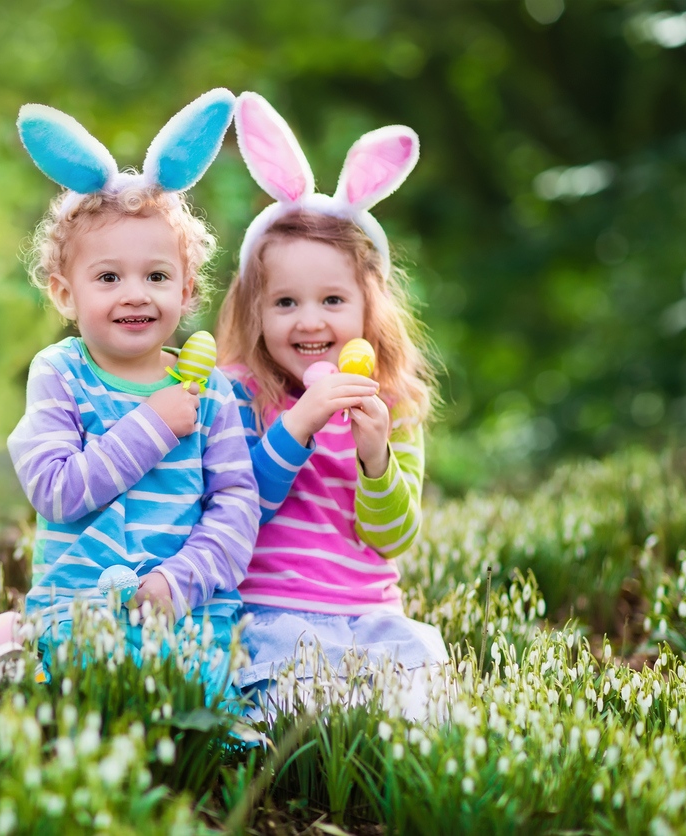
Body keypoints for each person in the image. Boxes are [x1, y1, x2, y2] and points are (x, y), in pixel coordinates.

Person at [7, 89, 259, 699]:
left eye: (156, 276)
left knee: (201, 719)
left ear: (188, 288)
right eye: (108, 277)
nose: (135, 294)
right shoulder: (60, 373)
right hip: (77, 612)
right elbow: (56, 490)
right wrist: (151, 425)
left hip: (187, 613)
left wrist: (179, 584)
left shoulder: (211, 391)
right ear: (66, 294)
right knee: (87, 708)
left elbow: (236, 507)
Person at [215, 92, 449, 718]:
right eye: (285, 303)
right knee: (302, 710)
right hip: (272, 613)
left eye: (332, 301)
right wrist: (298, 424)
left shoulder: (392, 404)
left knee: (422, 712)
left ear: (369, 308)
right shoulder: (238, 392)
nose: (310, 321)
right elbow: (234, 513)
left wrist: (376, 459)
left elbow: (391, 538)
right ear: (254, 313)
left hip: (370, 615)